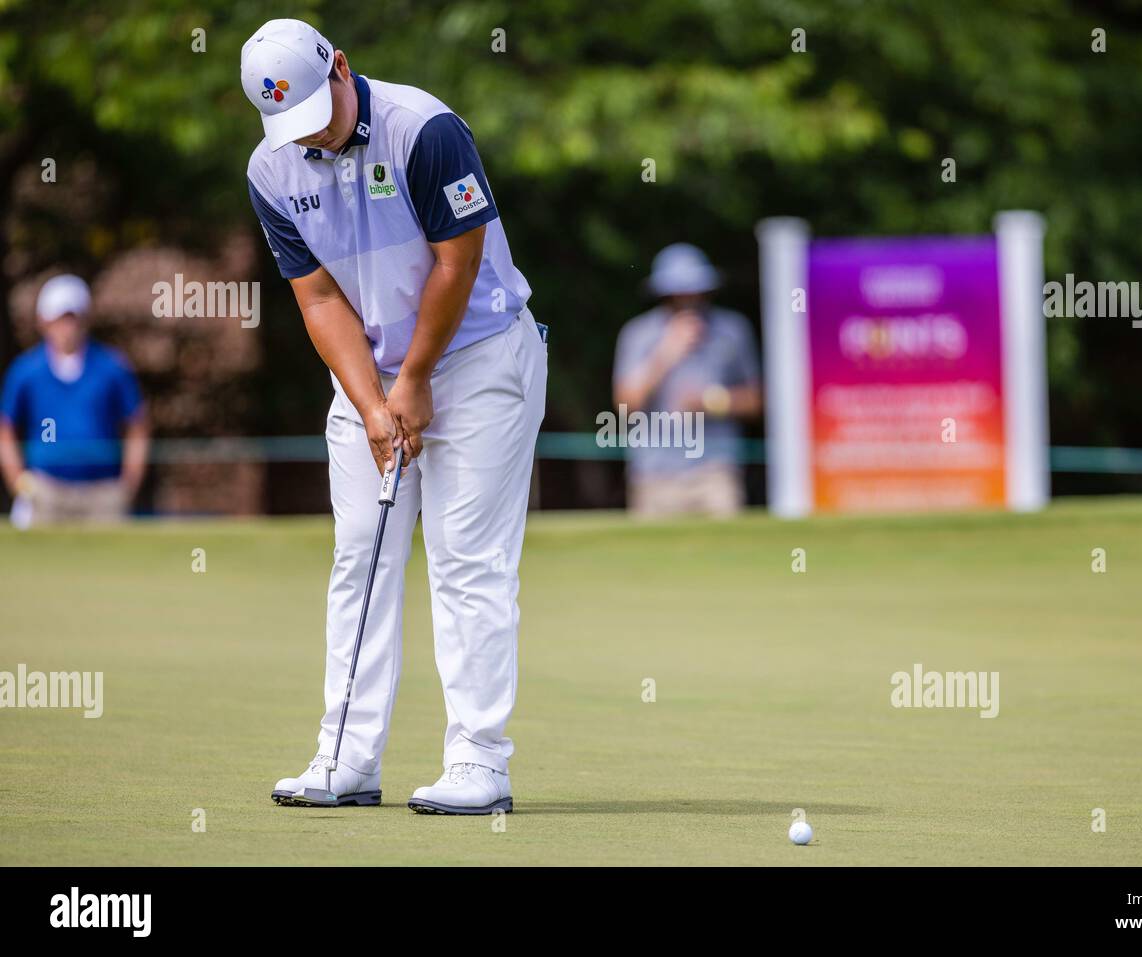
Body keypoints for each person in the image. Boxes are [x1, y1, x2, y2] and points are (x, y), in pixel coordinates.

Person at [242, 19, 546, 814]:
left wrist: (413, 377)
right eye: (291, 125)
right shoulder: (271, 168)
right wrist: (375, 403)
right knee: (360, 557)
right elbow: (315, 295)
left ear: (340, 67)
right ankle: (345, 756)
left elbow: (461, 258)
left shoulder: (425, 130)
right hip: (371, 371)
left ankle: (480, 762)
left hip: (479, 355)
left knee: (465, 557)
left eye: (318, 109)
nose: (311, 133)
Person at [613, 244, 762, 517]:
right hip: (654, 474)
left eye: (694, 291)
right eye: (679, 293)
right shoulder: (637, 333)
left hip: (717, 471)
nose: (688, 299)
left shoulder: (733, 330)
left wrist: (712, 401)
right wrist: (666, 353)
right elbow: (625, 404)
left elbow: (756, 401)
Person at [0, 274, 149, 528]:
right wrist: (19, 482)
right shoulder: (26, 371)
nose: (66, 327)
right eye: (60, 319)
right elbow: (6, 429)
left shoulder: (112, 367)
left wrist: (129, 483)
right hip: (46, 491)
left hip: (103, 493)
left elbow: (137, 424)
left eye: (73, 318)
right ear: (44, 321)